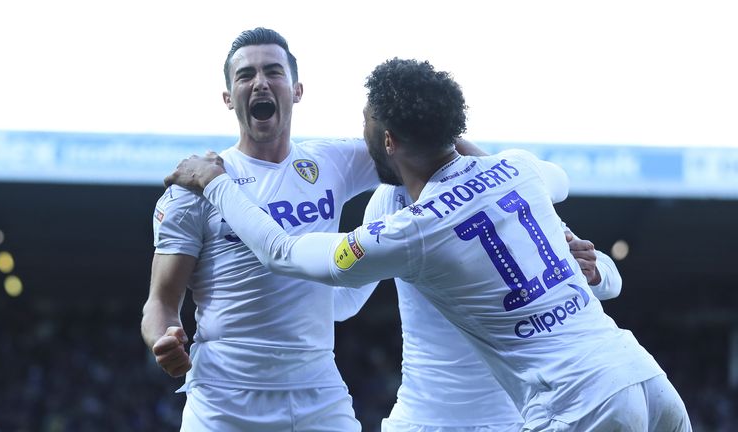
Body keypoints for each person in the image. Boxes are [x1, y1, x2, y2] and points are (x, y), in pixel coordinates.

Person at [164, 58, 692, 430]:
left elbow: (282, 252)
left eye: (368, 122)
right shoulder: (519, 170)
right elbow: (558, 182)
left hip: (574, 404)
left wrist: (215, 185)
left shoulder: (411, 229)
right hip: (645, 379)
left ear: (388, 141)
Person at [140, 27, 482, 431]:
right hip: (224, 401)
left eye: (273, 71)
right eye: (246, 76)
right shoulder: (195, 185)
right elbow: (160, 301)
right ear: (229, 98)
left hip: (318, 394)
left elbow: (436, 146)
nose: (261, 82)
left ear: (297, 90)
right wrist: (162, 338)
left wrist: (529, 210)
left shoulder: (330, 162)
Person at [334, 183, 624, 431]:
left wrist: (592, 271)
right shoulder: (391, 198)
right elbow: (345, 302)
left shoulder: (504, 180)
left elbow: (609, 279)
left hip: (512, 417)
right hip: (422, 417)